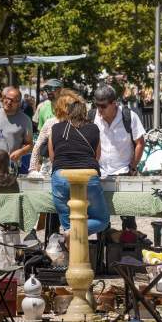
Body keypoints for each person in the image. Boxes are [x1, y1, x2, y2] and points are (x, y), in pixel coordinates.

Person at [48, 92, 110, 237]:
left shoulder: (55, 129)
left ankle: (70, 232)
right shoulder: (94, 128)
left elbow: (53, 158)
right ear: (85, 113)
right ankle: (72, 234)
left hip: (61, 177)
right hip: (88, 177)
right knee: (102, 220)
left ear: (68, 112)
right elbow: (97, 156)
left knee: (69, 222)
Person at [89, 84, 146, 176]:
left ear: (114, 103)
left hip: (123, 172)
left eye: (103, 106)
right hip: (98, 173)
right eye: (97, 105)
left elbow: (140, 143)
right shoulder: (91, 118)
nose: (99, 109)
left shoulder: (129, 117)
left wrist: (133, 167)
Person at [29, 89, 77, 173]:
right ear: (62, 107)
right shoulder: (50, 123)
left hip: (72, 169)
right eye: (70, 106)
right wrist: (32, 169)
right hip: (49, 169)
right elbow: (37, 146)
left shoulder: (77, 124)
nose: (74, 108)